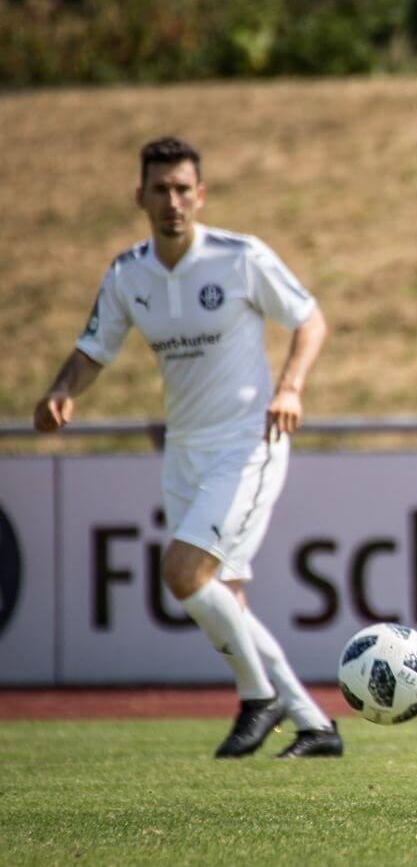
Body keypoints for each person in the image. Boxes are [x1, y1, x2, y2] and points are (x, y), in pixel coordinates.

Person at [34, 137, 343, 758]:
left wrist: (290, 388)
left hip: (248, 441)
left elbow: (309, 320)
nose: (172, 201)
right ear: (140, 197)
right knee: (221, 594)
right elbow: (95, 348)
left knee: (183, 572)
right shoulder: (128, 273)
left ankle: (260, 696)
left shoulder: (240, 257)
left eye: (183, 189)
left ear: (201, 196)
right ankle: (315, 726)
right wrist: (61, 390)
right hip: (184, 449)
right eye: (160, 190)